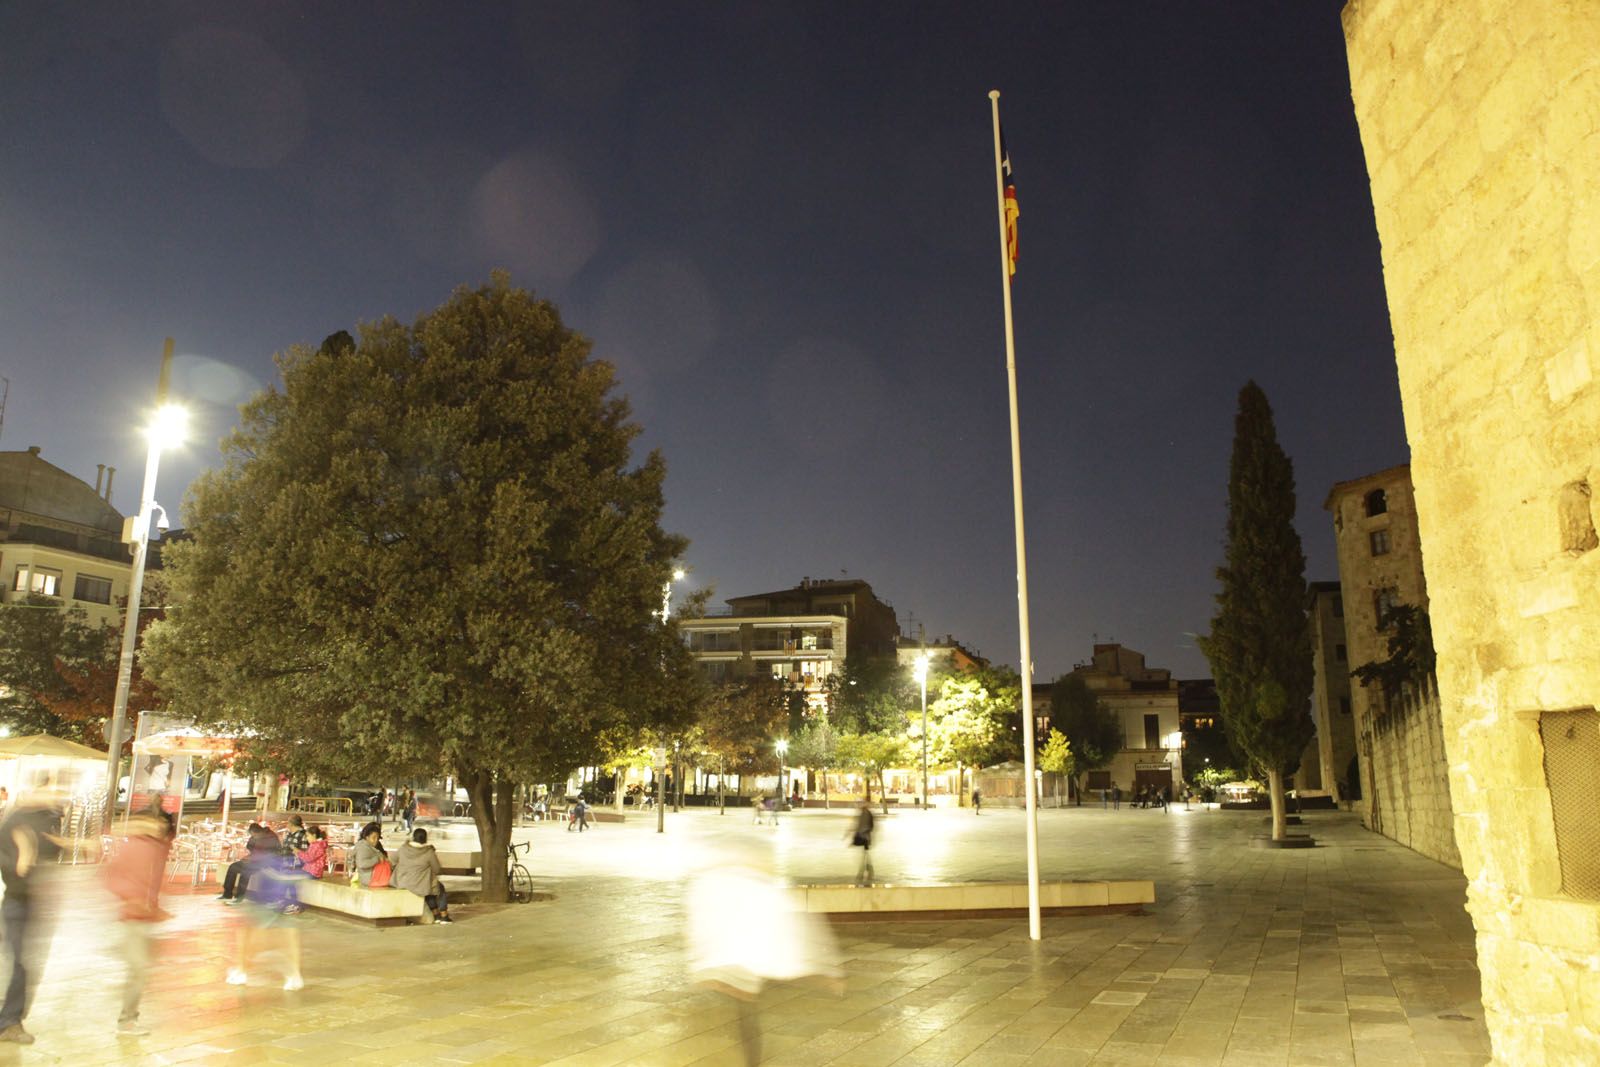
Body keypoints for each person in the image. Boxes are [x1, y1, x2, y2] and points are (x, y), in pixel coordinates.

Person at [0, 788, 66, 1045]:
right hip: (17, 902)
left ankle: (11, 1019)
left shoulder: (42, 819)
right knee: (19, 963)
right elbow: (12, 865)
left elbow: (51, 850)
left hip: (32, 902)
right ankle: (9, 1022)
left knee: (24, 963)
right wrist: (24, 859)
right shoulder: (13, 823)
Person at [102, 812, 171, 1035]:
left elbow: (153, 882)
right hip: (134, 916)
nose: (156, 826)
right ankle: (127, 1021)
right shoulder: (135, 847)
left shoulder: (154, 847)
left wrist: (154, 906)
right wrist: (133, 898)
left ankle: (129, 1017)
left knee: (141, 969)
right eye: (151, 822)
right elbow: (112, 877)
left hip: (145, 917)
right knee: (138, 969)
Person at [228, 847, 305, 991]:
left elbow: (258, 881)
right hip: (287, 901)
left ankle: (242, 971)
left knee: (248, 934)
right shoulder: (290, 860)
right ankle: (295, 975)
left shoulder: (264, 860)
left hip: (266, 902)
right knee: (290, 935)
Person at [395, 828, 452, 923]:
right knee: (438, 887)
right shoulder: (429, 852)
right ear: (425, 839)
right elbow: (437, 869)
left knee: (430, 886)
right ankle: (444, 915)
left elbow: (393, 860)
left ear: (413, 837)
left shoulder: (403, 848)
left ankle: (436, 914)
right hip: (420, 885)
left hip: (403, 882)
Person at [219, 823, 280, 904]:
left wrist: (253, 858)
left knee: (245, 872)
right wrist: (249, 857)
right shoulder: (256, 836)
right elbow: (250, 847)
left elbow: (270, 854)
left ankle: (239, 897)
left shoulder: (271, 837)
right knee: (233, 867)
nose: (252, 837)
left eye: (253, 835)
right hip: (254, 860)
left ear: (258, 832)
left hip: (266, 862)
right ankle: (227, 894)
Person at [849, 803, 875, 886]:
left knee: (865, 853)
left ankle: (866, 869)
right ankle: (868, 869)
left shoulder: (866, 814)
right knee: (865, 853)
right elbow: (864, 826)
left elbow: (863, 826)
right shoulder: (865, 814)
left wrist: (858, 834)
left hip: (864, 837)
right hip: (864, 836)